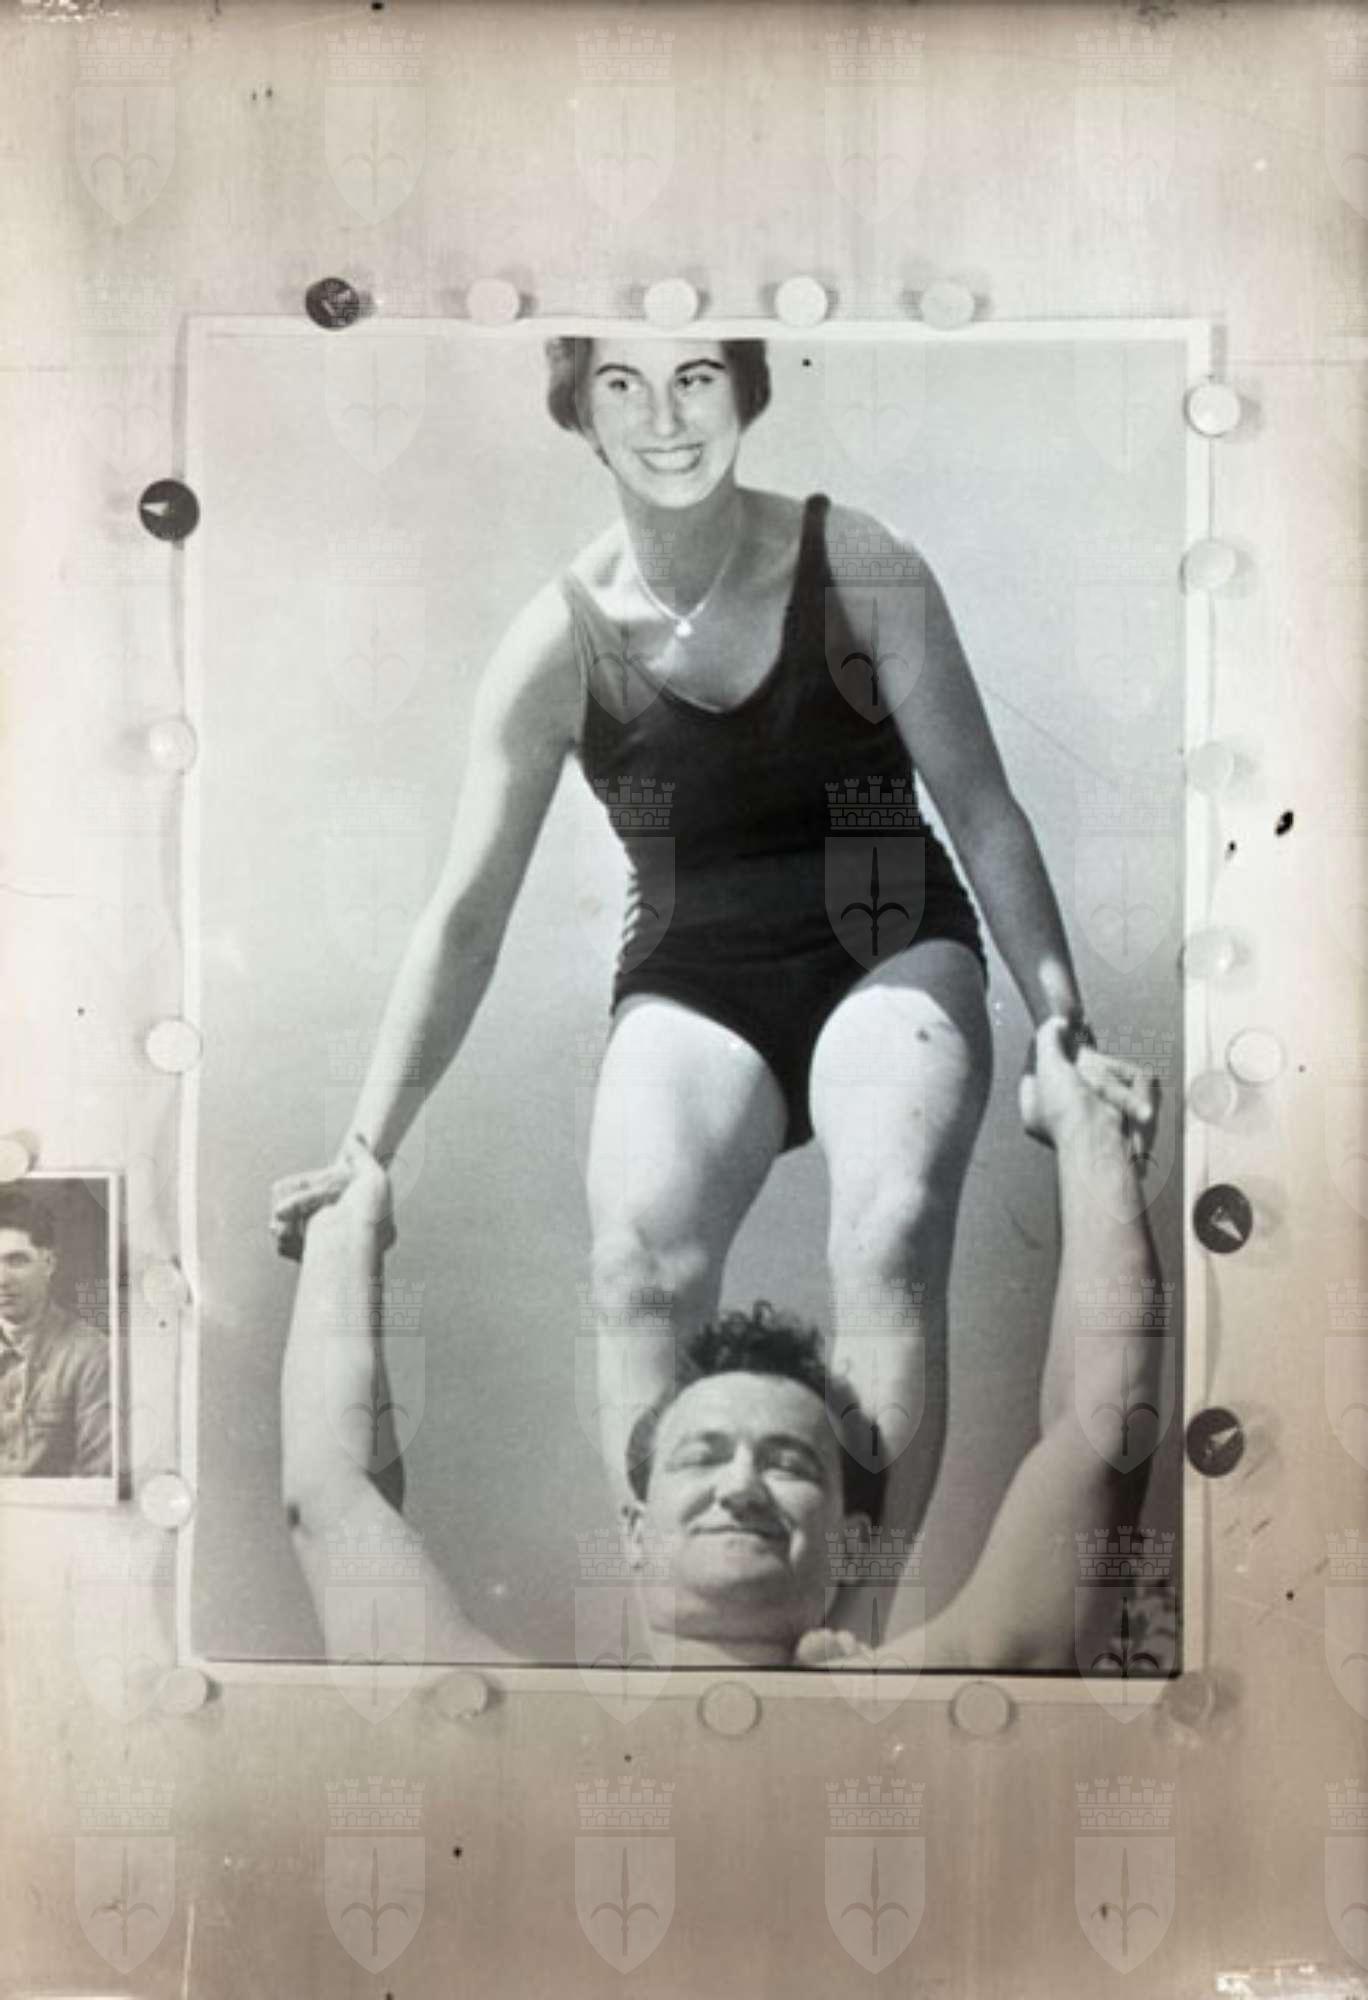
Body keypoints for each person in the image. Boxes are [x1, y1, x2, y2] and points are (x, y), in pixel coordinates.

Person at [271, 336, 1155, 1553]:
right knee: (634, 1268)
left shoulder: (860, 562)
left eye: (695, 377)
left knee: (891, 1227)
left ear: (746, 391)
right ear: (580, 413)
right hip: (697, 977)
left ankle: (856, 1608)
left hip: (889, 944)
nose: (665, 416)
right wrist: (364, 1145)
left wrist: (1064, 1024)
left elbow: (985, 810)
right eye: (621, 385)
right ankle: (680, 1602)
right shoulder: (557, 643)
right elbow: (466, 916)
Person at [281, 1016, 1165, 1673]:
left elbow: (1105, 1430)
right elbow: (328, 1499)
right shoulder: (524, 1724)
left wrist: (1088, 1132)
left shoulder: (921, 1705)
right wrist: (346, 1223)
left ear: (855, 1541)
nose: (740, 1487)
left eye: (789, 1463)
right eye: (703, 1455)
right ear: (635, 1530)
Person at [0, 1189, 111, 1479]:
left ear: (48, 1263)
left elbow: (97, 1480)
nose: (2, 1279)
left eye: (17, 1261)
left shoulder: (93, 1354)